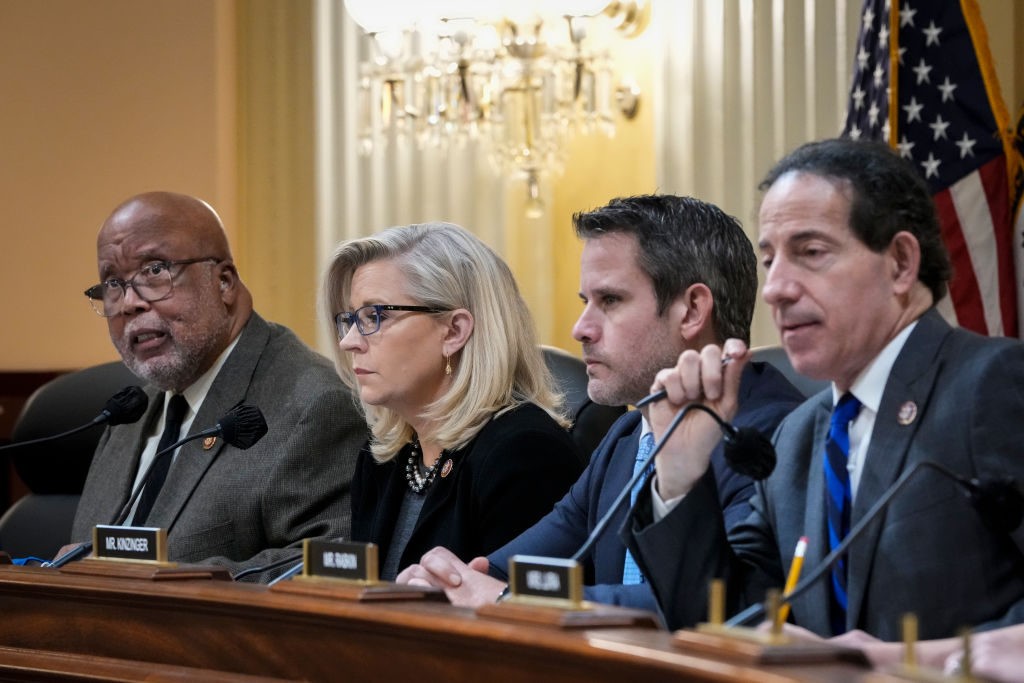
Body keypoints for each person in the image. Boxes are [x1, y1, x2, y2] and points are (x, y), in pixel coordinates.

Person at [628, 138, 1024, 637]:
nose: (775, 288)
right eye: (770, 260)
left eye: (811, 252)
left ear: (900, 263)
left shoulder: (991, 385)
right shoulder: (798, 436)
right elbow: (726, 623)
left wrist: (922, 663)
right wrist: (681, 478)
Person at [396, 195, 804, 614]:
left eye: (609, 301)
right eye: (584, 302)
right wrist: (443, 581)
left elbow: (724, 606)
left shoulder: (775, 438)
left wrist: (506, 598)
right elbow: (508, 568)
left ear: (692, 311)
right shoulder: (626, 437)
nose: (580, 329)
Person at [70, 191, 366, 581]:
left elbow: (328, 570)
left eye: (155, 271)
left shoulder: (314, 405)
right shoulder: (129, 413)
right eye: (112, 283)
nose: (129, 303)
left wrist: (165, 580)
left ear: (224, 282)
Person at [321, 222, 584, 580]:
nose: (349, 341)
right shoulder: (383, 456)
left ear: (455, 331)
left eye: (374, 316)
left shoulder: (524, 454)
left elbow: (523, 616)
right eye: (350, 319)